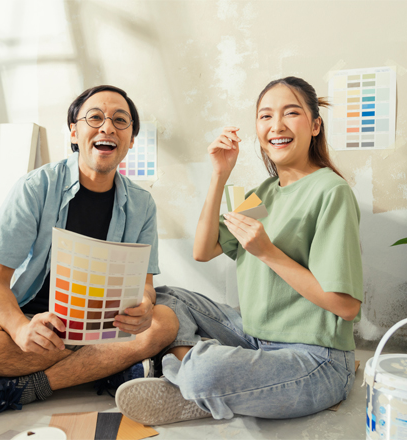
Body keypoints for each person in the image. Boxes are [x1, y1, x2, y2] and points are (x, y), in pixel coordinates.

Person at [115, 76, 363, 425]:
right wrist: (219, 174)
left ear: (315, 124)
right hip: (255, 336)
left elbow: (347, 307)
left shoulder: (331, 191)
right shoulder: (263, 192)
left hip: (315, 359)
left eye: (291, 113)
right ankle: (200, 375)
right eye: (265, 116)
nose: (276, 125)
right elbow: (202, 251)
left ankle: (193, 379)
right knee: (170, 296)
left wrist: (267, 252)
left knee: (208, 370)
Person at [0, 85, 178, 420]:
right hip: (36, 325)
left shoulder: (142, 203)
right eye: (95, 118)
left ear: (131, 140)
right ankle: (104, 368)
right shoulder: (35, 187)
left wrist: (145, 306)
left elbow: (145, 284)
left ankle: (25, 388)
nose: (107, 128)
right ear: (74, 132)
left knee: (164, 322)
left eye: (121, 121)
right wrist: (19, 329)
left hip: (102, 327)